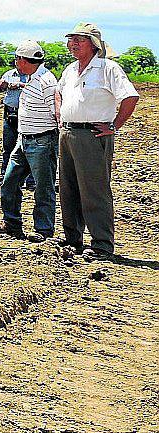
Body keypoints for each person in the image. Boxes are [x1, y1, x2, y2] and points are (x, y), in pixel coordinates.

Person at [56, 22, 140, 259]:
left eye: (79, 40)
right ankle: (73, 238)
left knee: (94, 190)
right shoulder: (70, 70)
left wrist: (113, 125)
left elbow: (130, 96)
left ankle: (102, 244)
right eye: (71, 39)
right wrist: (60, 113)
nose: (73, 44)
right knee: (68, 189)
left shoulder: (107, 68)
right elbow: (59, 92)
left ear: (93, 45)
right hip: (68, 134)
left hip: (92, 136)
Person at [0, 42, 58, 240]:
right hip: (23, 140)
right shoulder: (33, 78)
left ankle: (43, 231)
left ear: (23, 60)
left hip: (41, 141)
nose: (15, 62)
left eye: (17, 59)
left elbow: (57, 113)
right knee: (10, 182)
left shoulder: (46, 82)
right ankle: (12, 223)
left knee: (43, 187)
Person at [0, 53, 36, 188]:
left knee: (29, 148)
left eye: (20, 60)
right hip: (10, 114)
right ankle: (4, 177)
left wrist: (19, 85)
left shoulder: (34, 76)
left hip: (28, 115)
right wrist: (2, 84)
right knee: (8, 147)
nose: (18, 62)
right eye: (17, 60)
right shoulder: (9, 74)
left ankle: (31, 181)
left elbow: (35, 90)